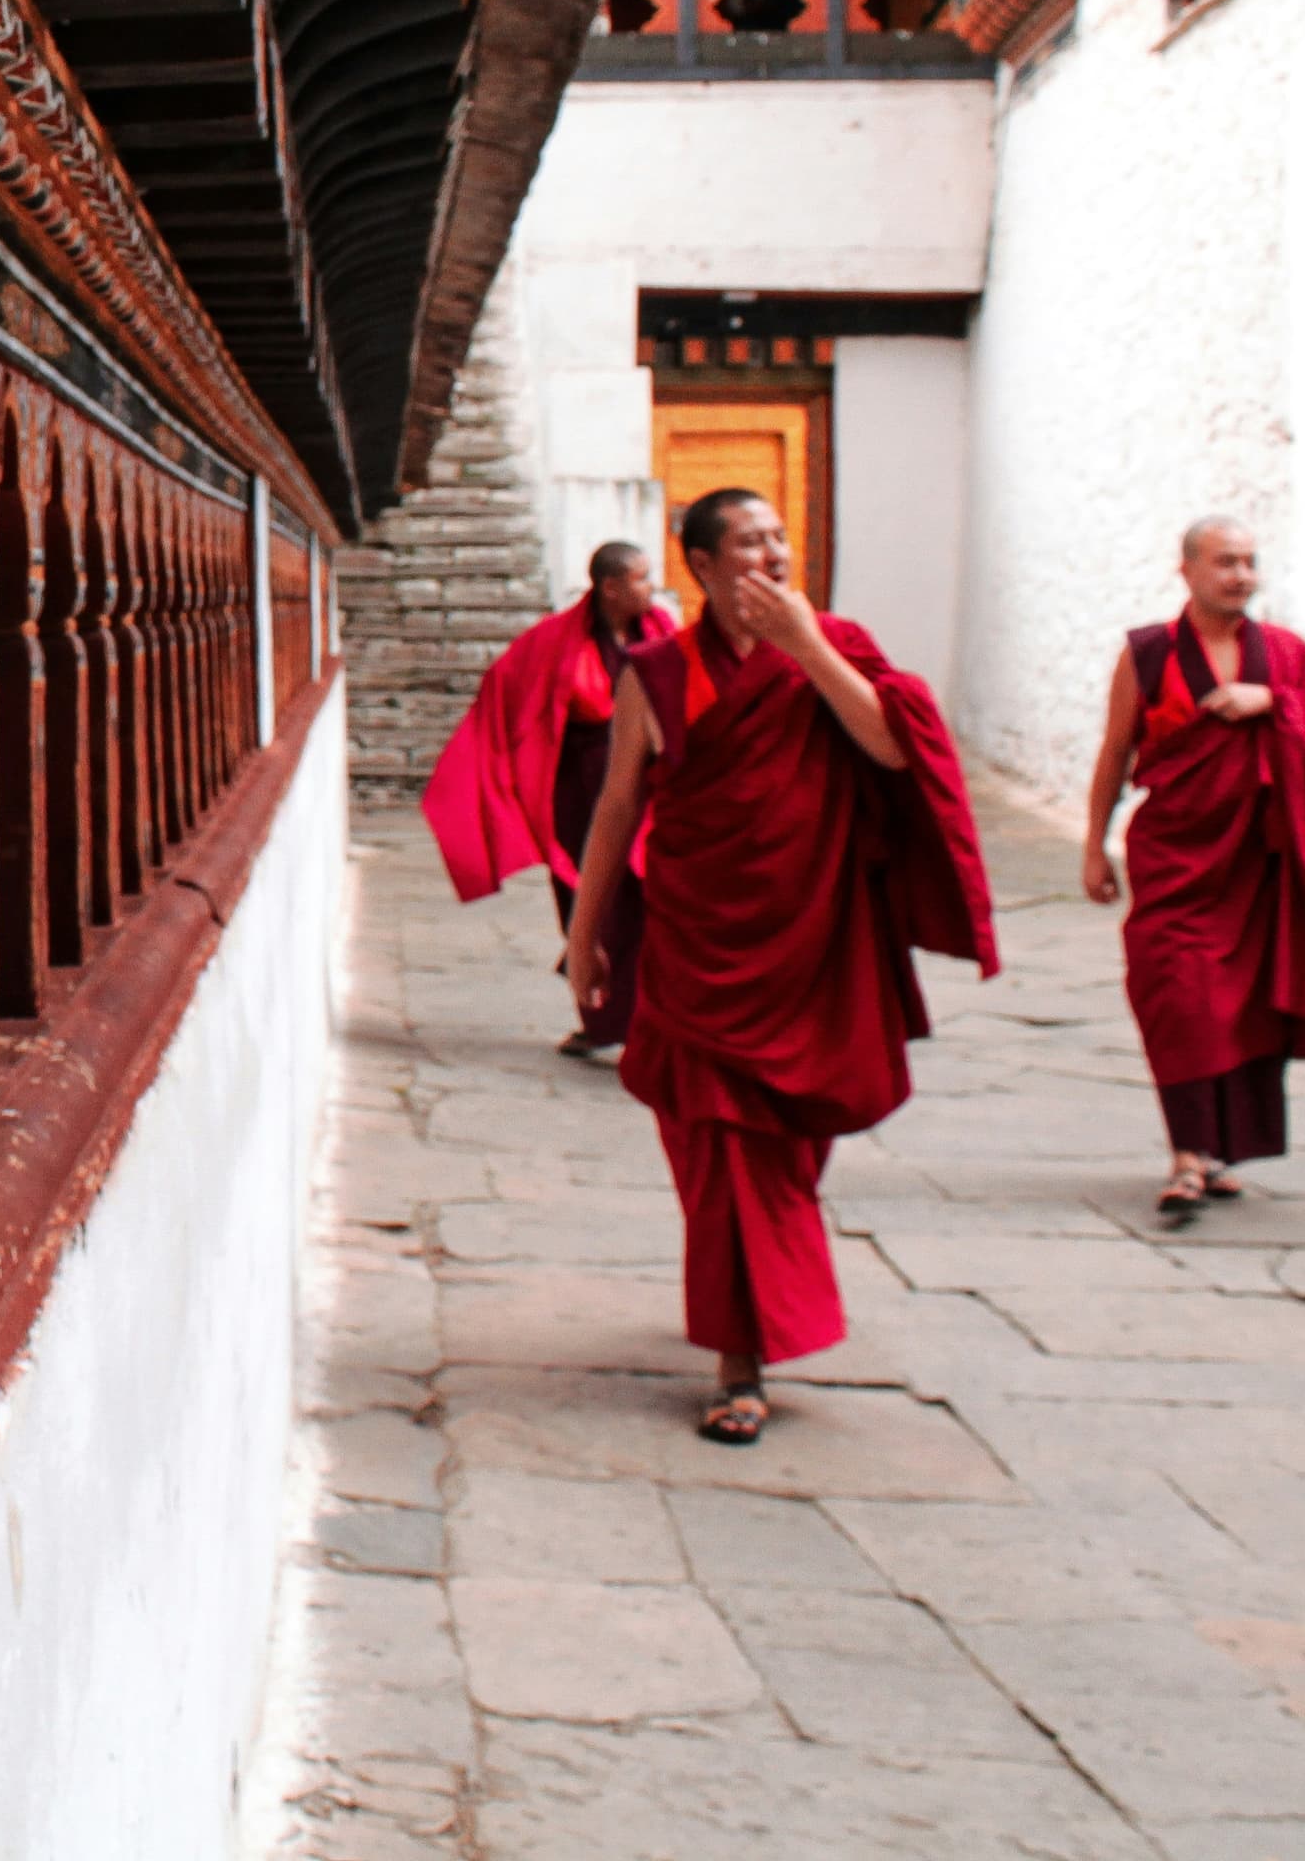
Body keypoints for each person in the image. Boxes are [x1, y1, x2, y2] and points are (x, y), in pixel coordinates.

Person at [563, 489, 994, 1444]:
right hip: (698, 940)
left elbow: (891, 745)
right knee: (719, 1146)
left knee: (785, 1148)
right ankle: (739, 1363)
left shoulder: (835, 644)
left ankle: (734, 1298)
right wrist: (584, 931)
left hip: (813, 940)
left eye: (780, 538)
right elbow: (617, 806)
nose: (773, 555)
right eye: (749, 544)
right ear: (705, 570)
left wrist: (810, 652)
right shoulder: (658, 673)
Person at [1078, 517, 1305, 1224]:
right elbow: (1117, 750)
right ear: (1187, 570)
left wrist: (1272, 701)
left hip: (1260, 864)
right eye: (1224, 562)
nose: (1240, 574)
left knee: (1244, 1003)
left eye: (1248, 561)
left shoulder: (1287, 656)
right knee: (1176, 995)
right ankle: (1187, 1152)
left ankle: (1211, 1155)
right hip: (1177, 856)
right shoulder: (1148, 654)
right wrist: (1093, 844)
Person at [420, 541, 676, 1055]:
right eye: (642, 578)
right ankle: (601, 1018)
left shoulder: (664, 631)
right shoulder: (558, 641)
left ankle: (651, 1021)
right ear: (610, 587)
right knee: (588, 897)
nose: (652, 589)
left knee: (647, 902)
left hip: (645, 786)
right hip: (580, 792)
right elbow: (506, 687)